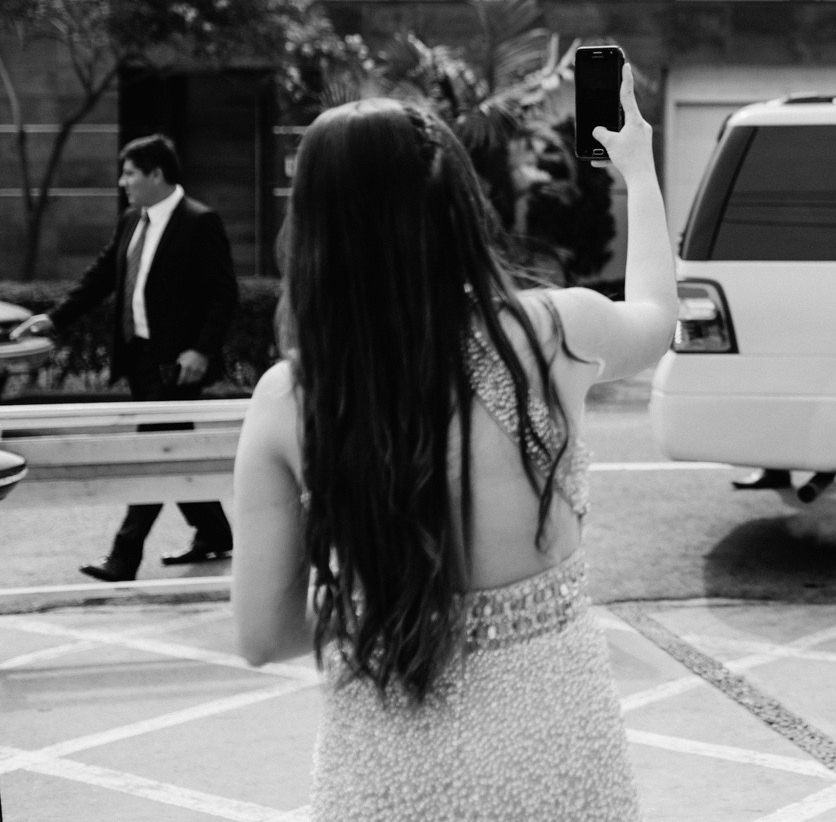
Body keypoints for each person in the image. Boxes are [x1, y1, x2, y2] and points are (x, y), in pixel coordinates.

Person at [232, 62, 675, 819]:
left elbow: (262, 635)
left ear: (311, 230)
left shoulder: (292, 399)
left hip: (386, 768)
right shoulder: (552, 331)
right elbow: (658, 316)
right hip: (556, 756)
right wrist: (638, 169)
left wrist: (387, 597)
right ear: (457, 206)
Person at [10, 134, 239, 582]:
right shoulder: (133, 219)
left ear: (157, 174)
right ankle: (213, 532)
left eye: (131, 173)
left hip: (177, 363)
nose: (122, 182)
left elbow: (222, 294)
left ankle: (124, 554)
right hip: (139, 357)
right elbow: (100, 279)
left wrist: (201, 350)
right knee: (169, 446)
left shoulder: (199, 221)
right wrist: (53, 320)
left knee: (153, 450)